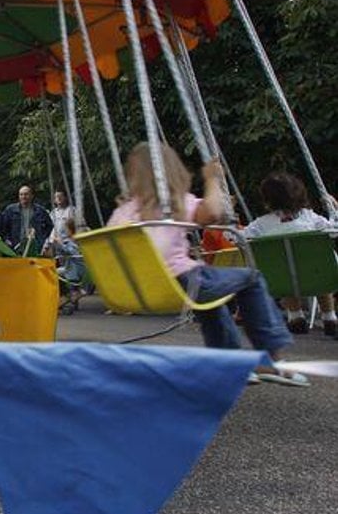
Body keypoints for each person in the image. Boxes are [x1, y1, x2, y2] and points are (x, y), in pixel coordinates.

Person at [108, 143, 306, 386]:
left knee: (211, 301)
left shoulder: (121, 213)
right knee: (251, 278)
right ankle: (271, 360)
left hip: (141, 288)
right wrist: (212, 179)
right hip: (183, 281)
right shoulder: (177, 204)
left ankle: (231, 364)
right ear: (174, 172)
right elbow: (213, 213)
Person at [244, 172, 338, 336]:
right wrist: (335, 209)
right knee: (320, 265)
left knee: (282, 266)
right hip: (320, 275)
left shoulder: (261, 224)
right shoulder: (311, 218)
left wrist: (226, 223)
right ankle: (329, 317)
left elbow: (237, 237)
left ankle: (295, 317)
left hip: (282, 280)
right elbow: (333, 230)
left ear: (267, 200)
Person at [0, 185, 53, 256]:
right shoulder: (10, 210)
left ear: (32, 195)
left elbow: (50, 226)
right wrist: (8, 240)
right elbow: (3, 227)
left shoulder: (40, 210)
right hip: (15, 246)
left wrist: (42, 238)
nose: (23, 197)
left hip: (34, 247)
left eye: (26, 194)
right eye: (21, 194)